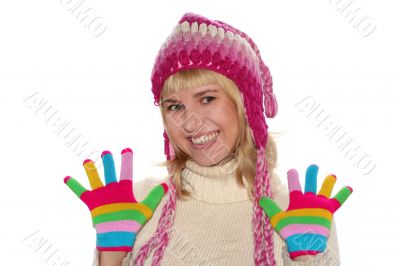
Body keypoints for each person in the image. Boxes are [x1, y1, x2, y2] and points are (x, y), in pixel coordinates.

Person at [64, 12, 352, 266]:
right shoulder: (136, 206)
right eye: (175, 106)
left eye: (207, 98)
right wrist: (111, 255)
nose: (190, 121)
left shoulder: (296, 212)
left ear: (246, 106)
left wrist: (308, 260)